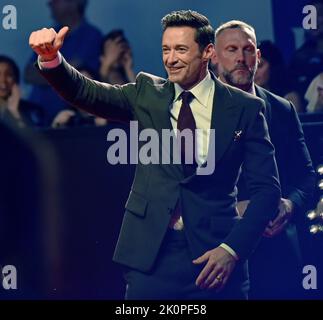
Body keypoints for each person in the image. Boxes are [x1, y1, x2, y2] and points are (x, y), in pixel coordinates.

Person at [29, 10, 281, 299]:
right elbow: (88, 93)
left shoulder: (245, 108)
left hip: (215, 260)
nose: (170, 59)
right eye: (166, 49)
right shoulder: (146, 94)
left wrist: (232, 250)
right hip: (151, 257)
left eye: (181, 49)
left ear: (208, 52)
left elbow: (267, 191)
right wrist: (51, 60)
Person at [212, 20, 316, 299]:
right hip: (221, 252)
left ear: (257, 57)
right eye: (231, 49)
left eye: (247, 50)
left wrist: (289, 204)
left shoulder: (282, 109)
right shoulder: (195, 113)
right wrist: (235, 207)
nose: (240, 58)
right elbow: (181, 192)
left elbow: (308, 177)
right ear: (213, 56)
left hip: (278, 250)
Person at [24, 0, 102, 123]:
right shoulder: (49, 36)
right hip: (37, 122)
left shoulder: (91, 36)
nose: (50, 4)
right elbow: (28, 74)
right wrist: (59, 71)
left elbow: (76, 75)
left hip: (69, 124)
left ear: (74, 3)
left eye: (56, 1)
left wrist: (46, 70)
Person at [0, 55, 44, 127]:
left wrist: (14, 112)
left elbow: (32, 136)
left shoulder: (33, 111)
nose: (3, 80)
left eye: (9, 75)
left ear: (16, 80)